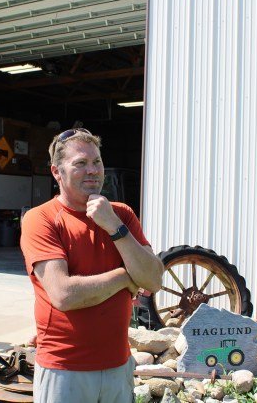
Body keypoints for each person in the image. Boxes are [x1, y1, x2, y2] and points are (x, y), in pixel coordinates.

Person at [20, 127, 164, 403]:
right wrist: (125, 277)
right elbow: (63, 294)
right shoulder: (42, 219)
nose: (93, 170)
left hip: (118, 365)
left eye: (97, 161)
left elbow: (154, 279)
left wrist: (113, 226)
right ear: (56, 173)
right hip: (65, 369)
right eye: (80, 163)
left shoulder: (121, 215)